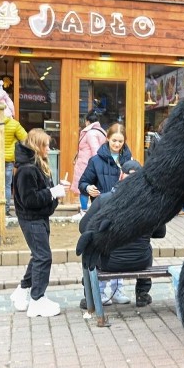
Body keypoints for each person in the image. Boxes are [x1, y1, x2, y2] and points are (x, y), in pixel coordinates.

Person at [77, 160, 165, 309]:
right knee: (147, 247)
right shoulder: (151, 202)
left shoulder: (104, 200)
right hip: (140, 261)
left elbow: (83, 227)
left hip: (109, 262)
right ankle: (142, 294)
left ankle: (90, 296)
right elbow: (160, 233)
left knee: (88, 247)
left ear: (121, 175)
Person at [9, 128, 69, 318]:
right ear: (37, 146)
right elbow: (30, 199)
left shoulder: (35, 165)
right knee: (43, 257)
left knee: (38, 256)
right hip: (31, 219)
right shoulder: (27, 169)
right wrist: (53, 192)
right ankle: (37, 299)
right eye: (46, 145)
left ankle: (23, 289)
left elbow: (40, 194)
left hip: (37, 218)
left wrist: (56, 191)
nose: (49, 148)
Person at [79, 122, 133, 304]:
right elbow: (83, 182)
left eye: (120, 141)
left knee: (119, 249)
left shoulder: (128, 159)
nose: (117, 144)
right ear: (107, 138)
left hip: (122, 210)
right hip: (101, 210)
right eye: (114, 140)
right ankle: (100, 291)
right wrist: (88, 188)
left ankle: (117, 289)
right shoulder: (96, 160)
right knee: (100, 248)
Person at [70, 110, 107, 213]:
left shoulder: (90, 133)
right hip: (92, 165)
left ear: (87, 121)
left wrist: (94, 166)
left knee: (84, 188)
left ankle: (84, 210)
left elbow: (95, 151)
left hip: (86, 165)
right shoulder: (101, 131)